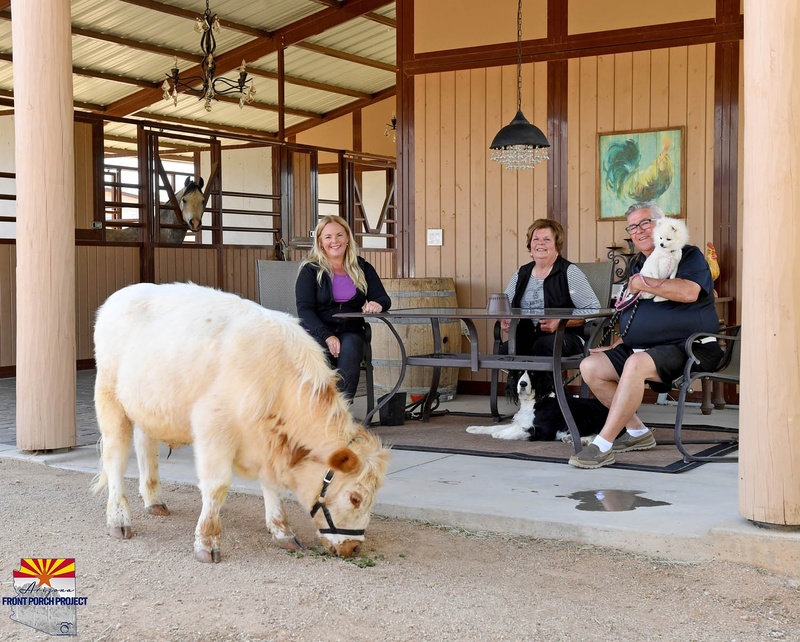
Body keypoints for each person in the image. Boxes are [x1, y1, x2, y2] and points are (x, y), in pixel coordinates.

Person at [569, 201, 723, 469]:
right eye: (632, 227)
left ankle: (602, 445)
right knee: (590, 366)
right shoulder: (639, 263)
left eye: (645, 223)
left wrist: (645, 283)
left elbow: (689, 292)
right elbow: (637, 312)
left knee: (635, 363)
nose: (638, 230)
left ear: (662, 224)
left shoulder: (688, 254)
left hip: (691, 346)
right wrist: (620, 341)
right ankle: (638, 432)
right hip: (643, 348)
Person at [499, 218, 601, 397]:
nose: (540, 243)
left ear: (557, 245)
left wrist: (560, 322)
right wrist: (504, 318)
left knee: (543, 346)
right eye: (536, 239)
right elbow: (504, 304)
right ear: (530, 245)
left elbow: (594, 309)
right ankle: (526, 400)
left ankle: (548, 398)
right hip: (529, 335)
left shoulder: (569, 271)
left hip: (567, 336)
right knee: (506, 349)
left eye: (547, 239)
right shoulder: (522, 273)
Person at [295, 215, 391, 400]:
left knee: (352, 347)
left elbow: (383, 298)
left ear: (347, 238)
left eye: (339, 235)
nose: (335, 241)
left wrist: (377, 304)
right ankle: (316, 407)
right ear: (320, 242)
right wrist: (328, 335)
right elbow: (304, 310)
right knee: (317, 350)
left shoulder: (362, 267)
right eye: (328, 237)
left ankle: (341, 406)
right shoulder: (310, 270)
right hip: (317, 330)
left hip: (351, 330)